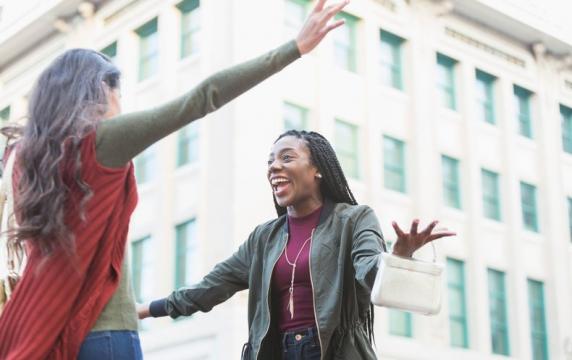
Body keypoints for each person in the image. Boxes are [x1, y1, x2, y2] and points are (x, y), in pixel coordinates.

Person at [0, 0, 350, 358]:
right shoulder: (102, 142)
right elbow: (203, 98)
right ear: (99, 91)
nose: (120, 101)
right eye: (117, 91)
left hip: (47, 331)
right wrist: (294, 48)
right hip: (106, 335)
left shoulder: (20, 160)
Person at [138, 130, 456, 359]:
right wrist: (146, 310)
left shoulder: (354, 220)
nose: (274, 167)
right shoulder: (264, 238)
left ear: (317, 169)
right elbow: (209, 288)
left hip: (335, 351)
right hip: (277, 351)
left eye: (286, 158)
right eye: (270, 161)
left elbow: (369, 271)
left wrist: (397, 258)